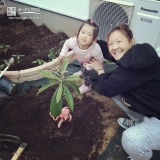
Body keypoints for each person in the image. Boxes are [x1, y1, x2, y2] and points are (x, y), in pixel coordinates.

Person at [90, 23, 160, 160]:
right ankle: (140, 122)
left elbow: (107, 89)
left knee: (131, 140)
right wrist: (96, 41)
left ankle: (140, 156)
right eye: (111, 43)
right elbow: (113, 53)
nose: (114, 46)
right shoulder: (140, 55)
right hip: (155, 107)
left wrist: (99, 70)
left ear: (131, 41)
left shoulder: (130, 67)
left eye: (119, 41)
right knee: (117, 88)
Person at [58, 19, 104, 94]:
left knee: (86, 73)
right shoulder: (73, 42)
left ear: (94, 40)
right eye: (83, 32)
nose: (85, 36)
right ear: (78, 33)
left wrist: (90, 66)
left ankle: (87, 86)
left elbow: (100, 61)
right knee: (82, 66)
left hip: (90, 63)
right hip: (81, 59)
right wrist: (62, 54)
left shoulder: (95, 49)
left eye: (89, 35)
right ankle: (82, 71)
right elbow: (66, 44)